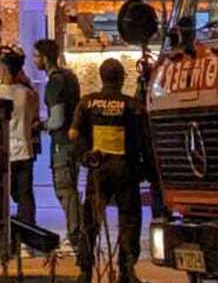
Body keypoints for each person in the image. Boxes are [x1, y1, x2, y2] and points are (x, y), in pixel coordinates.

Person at [70, 58, 146, 283]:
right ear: (122, 78)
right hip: (125, 171)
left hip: (98, 170)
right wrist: (147, 170)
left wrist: (85, 156)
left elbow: (73, 135)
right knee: (129, 220)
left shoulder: (87, 103)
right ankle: (127, 270)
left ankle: (85, 271)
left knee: (90, 222)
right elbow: (144, 140)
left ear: (102, 77)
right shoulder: (132, 106)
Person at [35, 38, 82, 253]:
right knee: (69, 187)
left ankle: (77, 236)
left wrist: (41, 126)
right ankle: (80, 233)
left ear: (45, 58)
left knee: (64, 189)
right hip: (74, 143)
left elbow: (57, 119)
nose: (34, 60)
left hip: (61, 143)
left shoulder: (54, 82)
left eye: (36, 56)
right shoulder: (70, 77)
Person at [0, 49, 39, 235]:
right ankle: (29, 235)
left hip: (3, 152)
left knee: (0, 195)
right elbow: (34, 121)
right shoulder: (29, 94)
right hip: (25, 151)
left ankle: (3, 233)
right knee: (25, 196)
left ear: (5, 69)